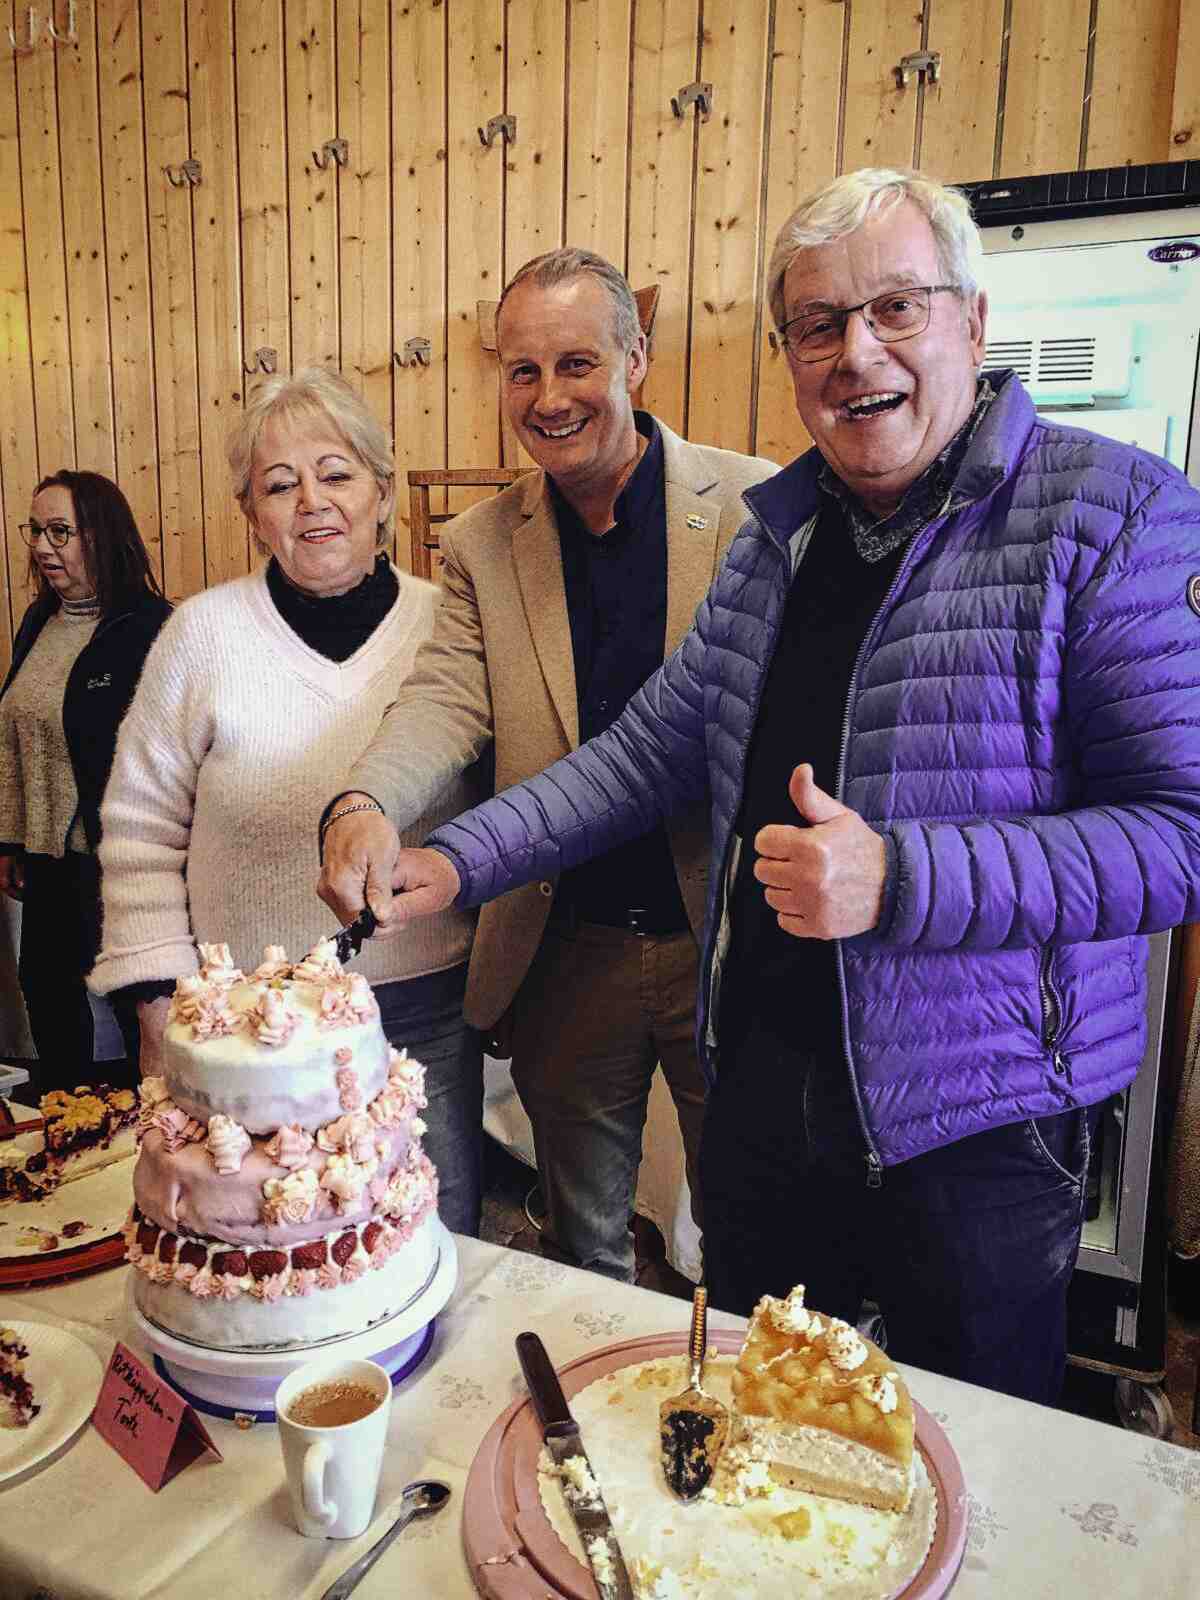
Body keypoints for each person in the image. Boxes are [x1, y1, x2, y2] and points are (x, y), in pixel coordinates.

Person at [343, 170, 1200, 1404]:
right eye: (818, 324)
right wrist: (462, 857)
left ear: (972, 317)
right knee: (767, 1428)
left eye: (895, 309)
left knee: (962, 1449)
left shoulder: (1111, 516)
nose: (857, 354)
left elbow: (1178, 835)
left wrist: (903, 876)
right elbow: (646, 753)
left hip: (976, 1127)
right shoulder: (775, 537)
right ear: (791, 352)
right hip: (765, 1097)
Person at [318, 248, 776, 1282]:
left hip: (731, 941)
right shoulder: (483, 541)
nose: (550, 396)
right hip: (568, 947)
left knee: (756, 1238)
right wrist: (364, 800)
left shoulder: (757, 509)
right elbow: (446, 696)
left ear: (636, 359)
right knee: (581, 1244)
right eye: (523, 371)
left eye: (578, 363)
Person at [89, 367, 485, 1235]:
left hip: (421, 1010)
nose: (313, 501)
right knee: (262, 1243)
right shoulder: (200, 636)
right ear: (252, 515)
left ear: (383, 493)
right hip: (240, 1033)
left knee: (432, 1232)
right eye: (280, 484)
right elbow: (139, 833)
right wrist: (157, 1006)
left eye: (337, 473)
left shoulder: (450, 627)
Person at [0, 470, 170, 1091]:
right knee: (47, 999)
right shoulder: (38, 622)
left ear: (101, 536)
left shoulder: (150, 628)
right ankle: (71, 1138)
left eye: (60, 531)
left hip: (117, 863)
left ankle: (149, 1138)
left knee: (139, 1010)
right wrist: (11, 842)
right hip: (47, 862)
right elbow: (17, 739)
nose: (43, 547)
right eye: (36, 531)